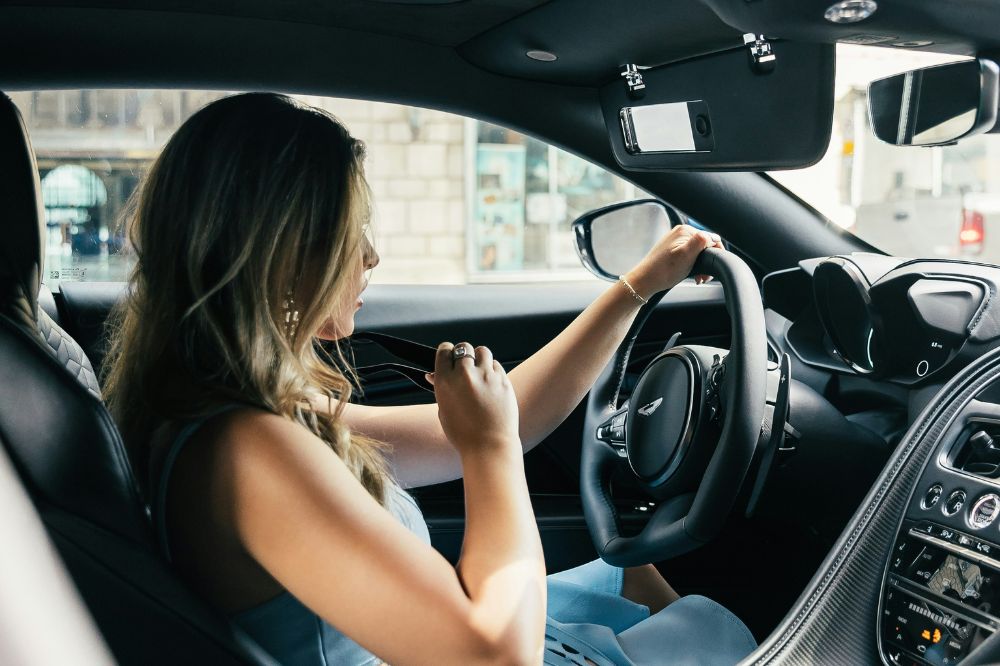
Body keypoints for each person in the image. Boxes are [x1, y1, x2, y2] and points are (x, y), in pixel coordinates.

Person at [104, 92, 757, 665]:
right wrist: (489, 448)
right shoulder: (251, 451)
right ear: (283, 254)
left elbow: (520, 414)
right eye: (350, 233)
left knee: (630, 574)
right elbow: (500, 655)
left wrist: (638, 287)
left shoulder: (245, 413)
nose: (369, 256)